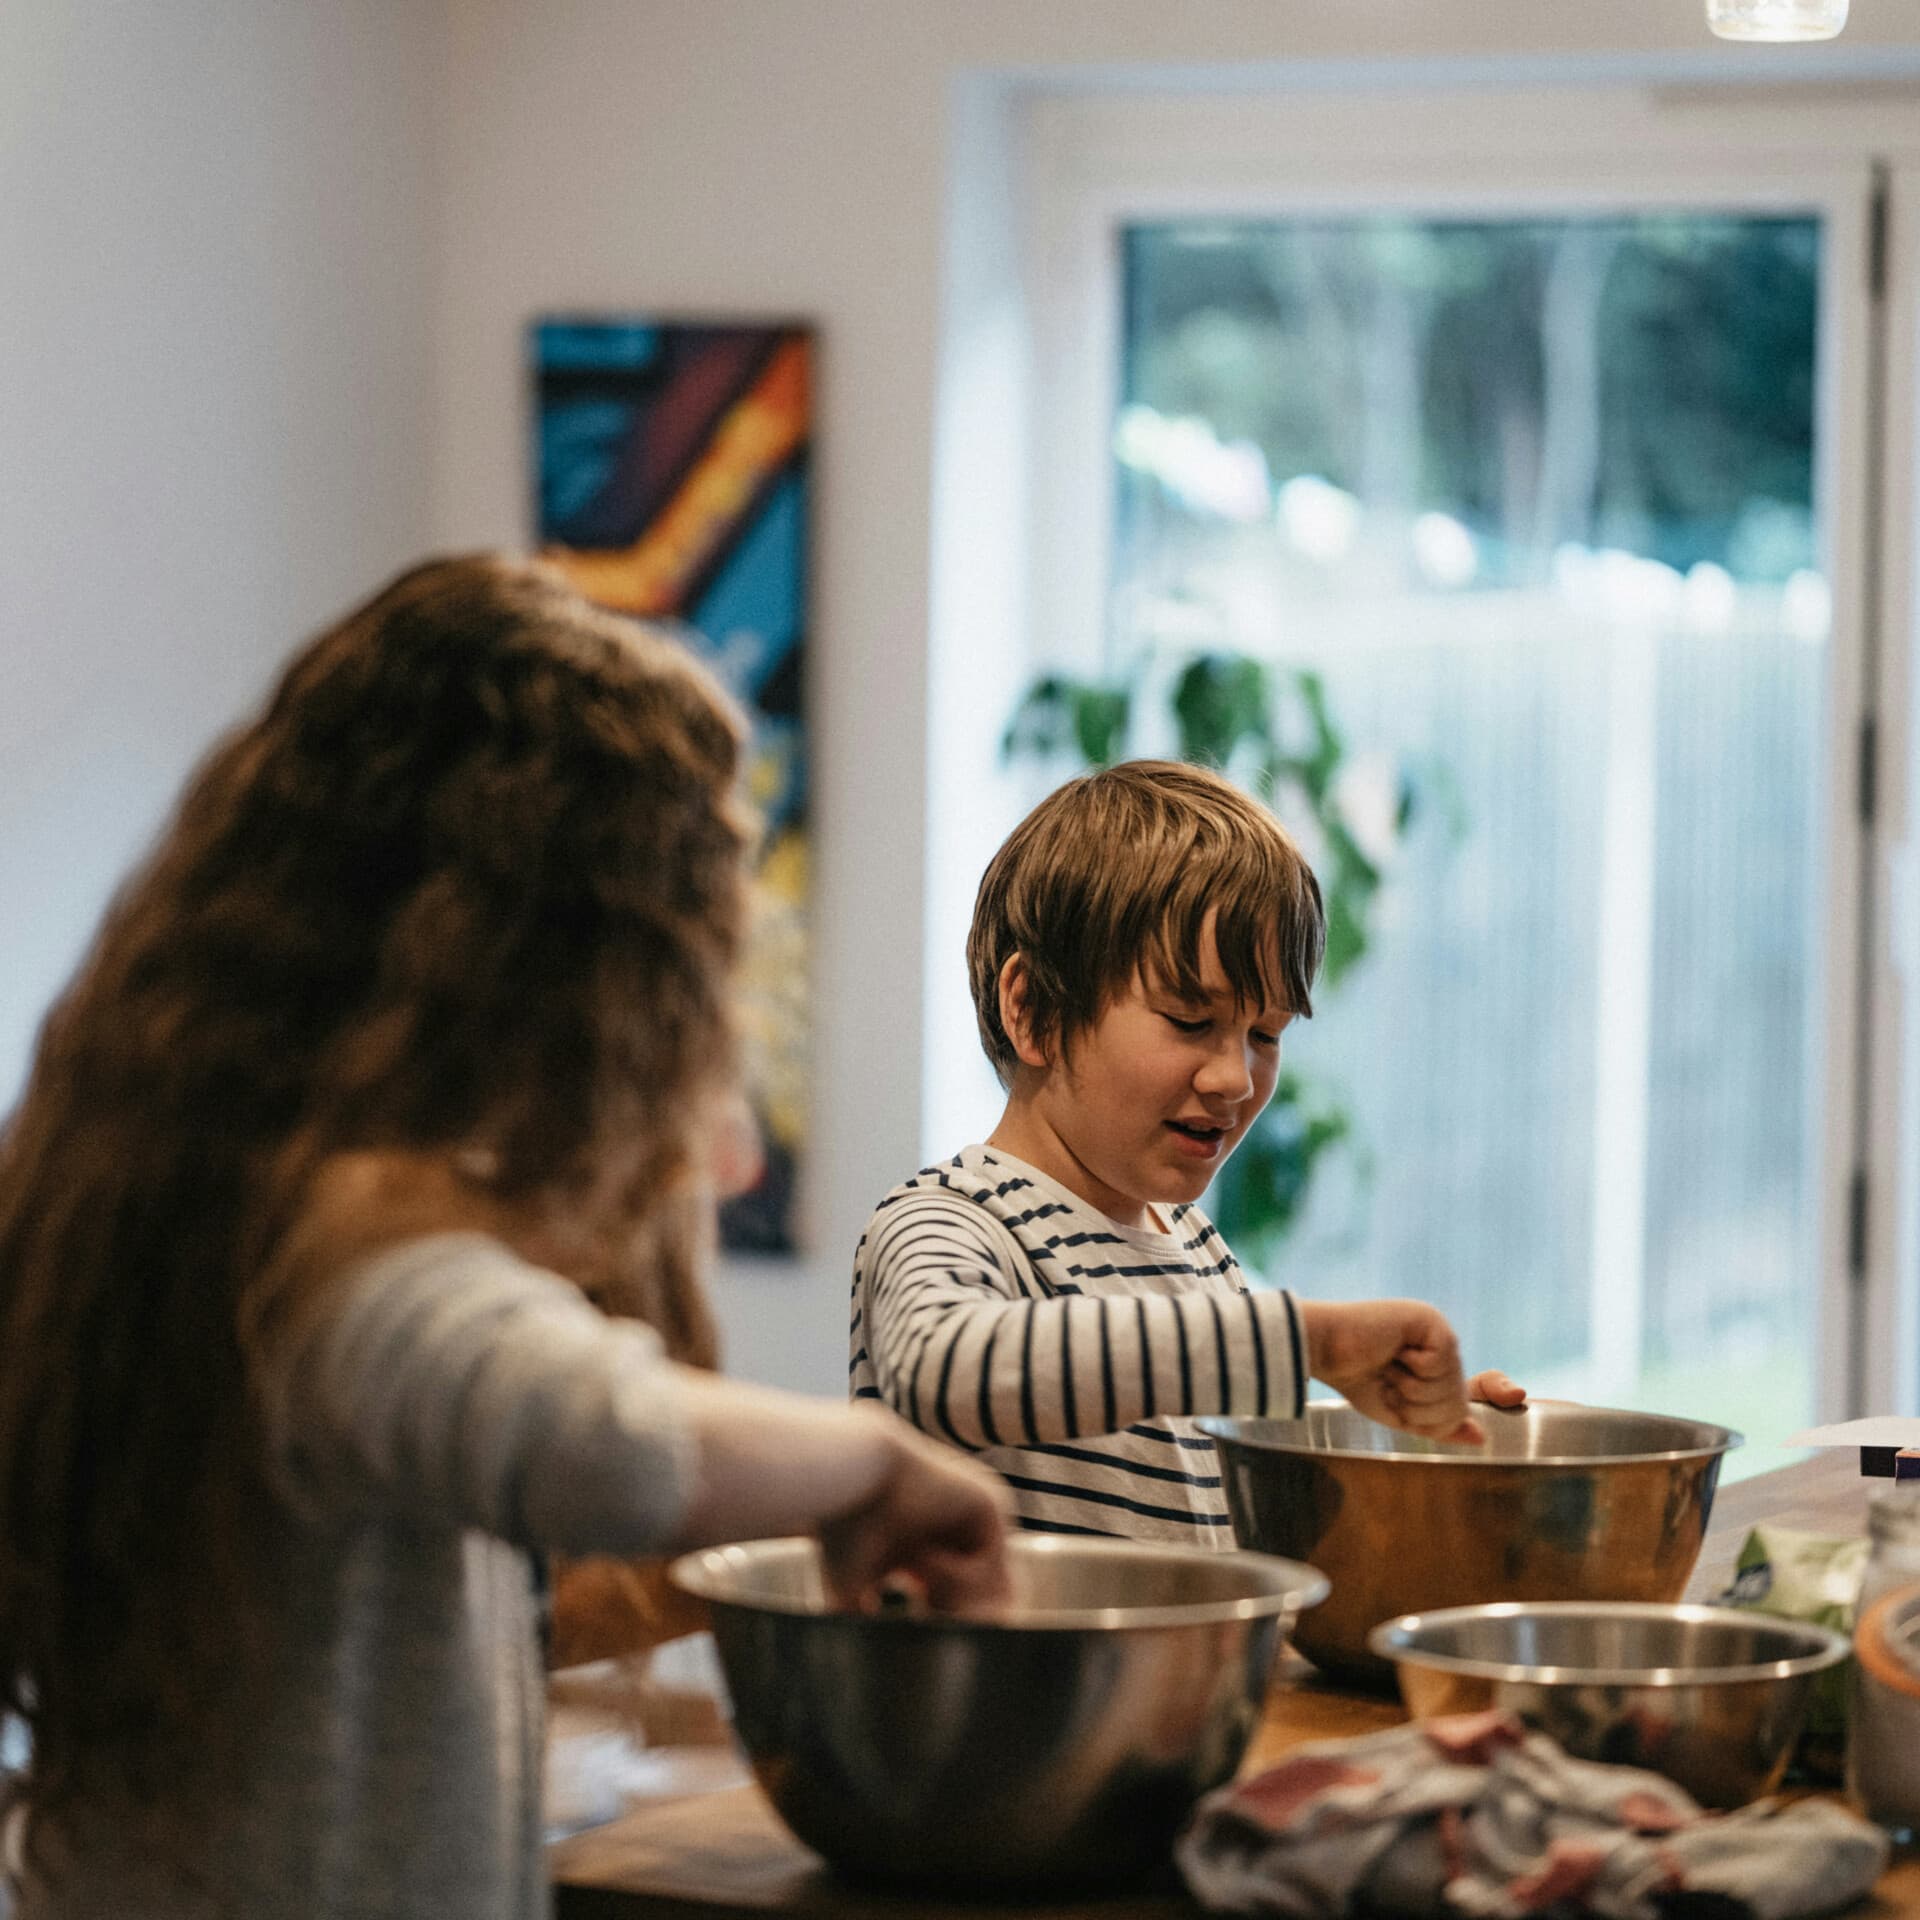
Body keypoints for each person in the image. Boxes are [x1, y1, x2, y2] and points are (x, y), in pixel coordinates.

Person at [0, 555, 1010, 1920]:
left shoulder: (180, 1178)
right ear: (572, 968)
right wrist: (878, 1464)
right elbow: (596, 1433)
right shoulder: (331, 1254)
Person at [850, 759, 1521, 1543]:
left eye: (1265, 1035)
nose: (1237, 1077)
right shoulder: (950, 1222)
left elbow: (1212, 1440)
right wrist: (1312, 1340)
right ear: (1031, 1010)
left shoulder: (1196, 1248)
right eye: (1189, 1020)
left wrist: (1402, 1426)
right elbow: (944, 1371)